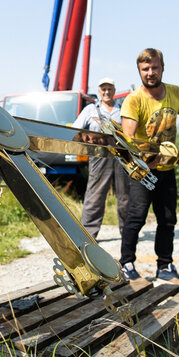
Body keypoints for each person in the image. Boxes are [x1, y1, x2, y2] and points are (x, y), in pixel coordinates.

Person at [118, 48, 179, 281]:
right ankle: (127, 264)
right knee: (137, 217)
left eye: (154, 67)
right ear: (139, 71)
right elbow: (128, 138)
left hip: (167, 170)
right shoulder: (134, 100)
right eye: (145, 69)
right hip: (143, 172)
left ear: (162, 67)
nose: (150, 73)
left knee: (168, 219)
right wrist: (144, 158)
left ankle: (164, 266)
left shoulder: (175, 93)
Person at [73, 78, 129, 239]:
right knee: (94, 195)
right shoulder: (90, 109)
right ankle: (88, 235)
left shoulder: (122, 109)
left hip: (121, 156)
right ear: (99, 91)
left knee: (125, 196)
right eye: (103, 89)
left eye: (110, 89)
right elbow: (76, 129)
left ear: (114, 90)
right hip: (98, 156)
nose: (106, 92)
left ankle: (127, 233)